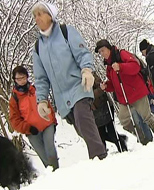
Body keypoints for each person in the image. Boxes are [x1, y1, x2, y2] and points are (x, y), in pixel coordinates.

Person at [31, 2, 107, 160]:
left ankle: (100, 159)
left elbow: (83, 53)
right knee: (81, 129)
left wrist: (87, 70)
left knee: (83, 119)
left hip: (78, 87)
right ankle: (100, 152)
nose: (37, 18)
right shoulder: (38, 47)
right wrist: (42, 101)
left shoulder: (66, 32)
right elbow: (41, 78)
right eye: (35, 16)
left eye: (40, 14)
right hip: (61, 98)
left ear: (50, 16)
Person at [96, 39, 154, 139]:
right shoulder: (108, 67)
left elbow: (135, 66)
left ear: (108, 48)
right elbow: (113, 84)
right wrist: (106, 86)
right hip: (123, 98)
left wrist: (121, 67)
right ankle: (142, 137)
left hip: (137, 92)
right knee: (124, 121)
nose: (102, 53)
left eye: (103, 50)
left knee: (147, 117)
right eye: (100, 52)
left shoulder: (122, 54)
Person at [9, 66, 59, 170]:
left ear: (27, 77)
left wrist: (53, 121)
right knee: (43, 155)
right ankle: (51, 174)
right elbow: (14, 120)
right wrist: (27, 128)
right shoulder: (14, 98)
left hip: (47, 124)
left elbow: (47, 104)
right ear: (15, 80)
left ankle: (57, 171)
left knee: (50, 149)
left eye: (23, 77)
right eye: (18, 79)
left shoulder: (36, 90)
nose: (21, 81)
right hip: (31, 131)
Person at [92, 74, 128, 152]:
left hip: (104, 106)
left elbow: (101, 88)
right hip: (93, 110)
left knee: (111, 130)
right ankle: (103, 153)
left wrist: (89, 95)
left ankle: (122, 146)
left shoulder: (92, 74)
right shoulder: (75, 81)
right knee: (100, 134)